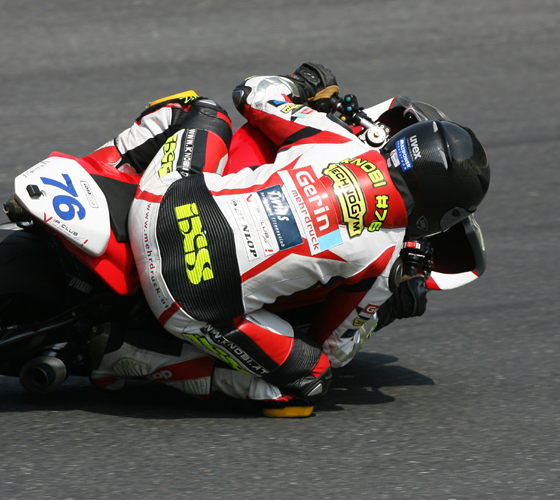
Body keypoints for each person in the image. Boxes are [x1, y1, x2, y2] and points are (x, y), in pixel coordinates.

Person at [85, 62, 490, 417]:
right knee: (308, 380)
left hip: (157, 204)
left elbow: (253, 93)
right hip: (181, 301)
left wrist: (304, 85)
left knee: (202, 110)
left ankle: (97, 172)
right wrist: (389, 308)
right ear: (440, 213)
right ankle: (126, 355)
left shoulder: (335, 139)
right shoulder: (384, 260)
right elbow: (333, 349)